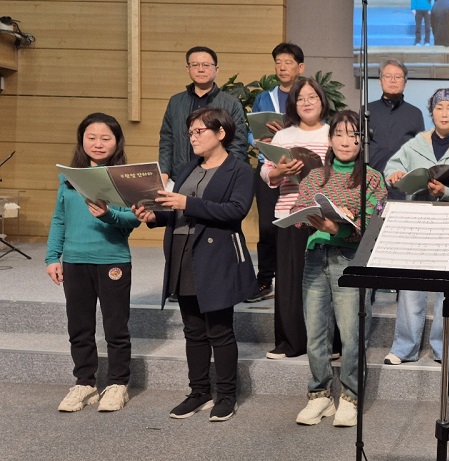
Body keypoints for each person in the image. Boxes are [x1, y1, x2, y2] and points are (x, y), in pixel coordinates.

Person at [133, 107, 257, 422]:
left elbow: (235, 211)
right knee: (193, 330)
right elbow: (178, 212)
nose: (193, 137)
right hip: (182, 253)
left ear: (221, 133)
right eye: (190, 133)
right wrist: (154, 216)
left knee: (220, 330)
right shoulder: (189, 167)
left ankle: (226, 396)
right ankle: (199, 391)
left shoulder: (239, 170)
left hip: (216, 256)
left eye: (199, 131)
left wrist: (187, 203)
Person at [292, 110, 388, 428]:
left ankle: (350, 396)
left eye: (353, 135)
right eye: (339, 134)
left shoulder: (372, 178)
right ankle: (319, 395)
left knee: (351, 334)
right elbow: (298, 207)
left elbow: (373, 221)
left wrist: (339, 226)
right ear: (330, 139)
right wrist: (305, 217)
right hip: (315, 257)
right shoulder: (316, 176)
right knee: (316, 334)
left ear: (363, 141)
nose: (346, 141)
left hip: (350, 260)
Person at [46, 113, 141, 413]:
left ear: (116, 142)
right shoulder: (69, 178)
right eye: (91, 137)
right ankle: (85, 383)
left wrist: (108, 215)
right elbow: (59, 219)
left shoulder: (124, 179)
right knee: (79, 327)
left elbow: (134, 219)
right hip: (75, 261)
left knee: (115, 327)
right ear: (82, 140)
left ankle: (118, 384)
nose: (98, 143)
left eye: (105, 138)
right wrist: (52, 257)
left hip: (112, 260)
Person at [383, 88, 449, 365]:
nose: (444, 113)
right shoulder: (416, 143)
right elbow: (391, 167)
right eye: (439, 108)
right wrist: (396, 174)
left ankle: (443, 347)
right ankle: (404, 348)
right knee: (411, 286)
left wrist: (445, 192)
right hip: (418, 221)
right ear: (432, 112)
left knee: (445, 289)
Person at [259, 78, 332, 360]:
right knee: (289, 281)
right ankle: (290, 342)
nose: (306, 102)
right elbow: (267, 172)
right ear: (293, 104)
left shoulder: (332, 133)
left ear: (322, 101)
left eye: (312, 97)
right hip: (289, 213)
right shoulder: (283, 137)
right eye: (300, 98)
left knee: (324, 281)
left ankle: (330, 343)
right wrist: (280, 171)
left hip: (322, 215)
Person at [246, 42, 306, 304]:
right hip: (270, 167)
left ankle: (296, 278)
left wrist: (289, 132)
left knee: (298, 224)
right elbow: (250, 131)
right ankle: (265, 278)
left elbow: (319, 126)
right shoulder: (264, 97)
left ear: (300, 67)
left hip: (299, 168)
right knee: (267, 227)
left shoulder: (308, 95)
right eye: (278, 62)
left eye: (288, 62)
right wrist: (258, 140)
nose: (282, 67)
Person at [158, 46, 248, 187]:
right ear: (188, 69)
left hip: (216, 179)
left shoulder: (231, 104)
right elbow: (167, 140)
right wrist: (164, 173)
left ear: (216, 70)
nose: (200, 69)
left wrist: (226, 176)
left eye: (206, 65)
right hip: (179, 177)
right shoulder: (175, 102)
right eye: (195, 65)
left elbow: (238, 144)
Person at [369, 59, 426, 175]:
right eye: (388, 76)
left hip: (403, 178)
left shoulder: (415, 113)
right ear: (380, 81)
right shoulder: (367, 110)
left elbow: (420, 151)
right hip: (372, 177)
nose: (393, 80)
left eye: (398, 77)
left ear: (405, 82)